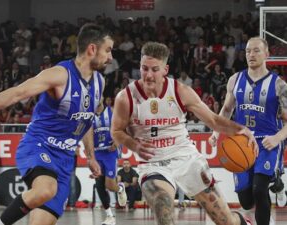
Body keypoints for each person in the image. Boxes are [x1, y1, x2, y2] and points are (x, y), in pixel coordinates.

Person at [0, 23, 113, 225]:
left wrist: (91, 156)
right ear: (92, 49)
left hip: (66, 159)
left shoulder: (99, 83)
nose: (110, 58)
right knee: (45, 189)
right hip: (39, 145)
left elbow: (85, 121)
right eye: (108, 50)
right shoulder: (60, 75)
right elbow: (18, 93)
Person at [111, 41, 258, 225]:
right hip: (153, 164)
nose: (148, 75)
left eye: (154, 69)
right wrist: (134, 144)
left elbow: (212, 120)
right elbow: (116, 131)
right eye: (144, 68)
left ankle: (241, 222)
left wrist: (240, 129)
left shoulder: (180, 91)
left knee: (226, 221)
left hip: (187, 159)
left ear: (165, 69)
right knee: (162, 207)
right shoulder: (125, 97)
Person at [209, 37, 287, 225]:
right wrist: (216, 132)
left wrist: (278, 137)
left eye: (256, 51)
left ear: (267, 54)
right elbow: (227, 109)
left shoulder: (279, 85)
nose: (251, 55)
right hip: (242, 141)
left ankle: (275, 183)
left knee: (260, 190)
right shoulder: (235, 80)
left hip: (267, 142)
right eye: (248, 51)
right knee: (246, 200)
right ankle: (274, 187)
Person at [93, 105, 127, 225]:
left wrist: (118, 140)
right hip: (96, 153)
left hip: (110, 152)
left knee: (110, 185)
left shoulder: (111, 111)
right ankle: (109, 216)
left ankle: (120, 188)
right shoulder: (89, 113)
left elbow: (124, 125)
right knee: (99, 185)